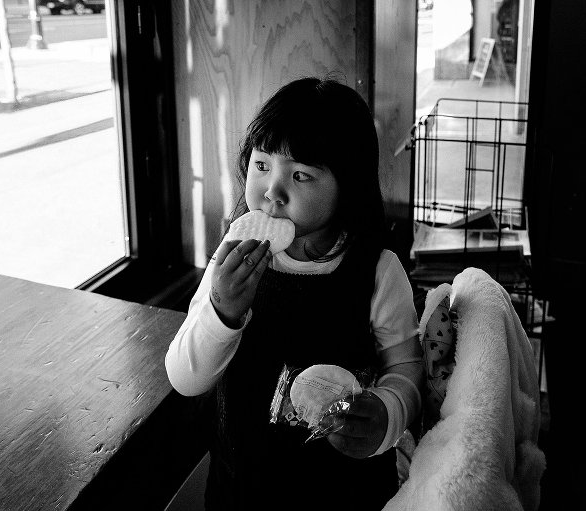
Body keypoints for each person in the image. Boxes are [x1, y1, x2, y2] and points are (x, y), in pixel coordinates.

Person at [165, 77, 422, 509]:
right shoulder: (230, 262)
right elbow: (185, 379)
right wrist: (221, 311)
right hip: (243, 483)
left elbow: (406, 365)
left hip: (346, 488)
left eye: (300, 174)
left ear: (349, 186)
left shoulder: (378, 271)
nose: (271, 191)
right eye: (262, 165)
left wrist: (388, 413)